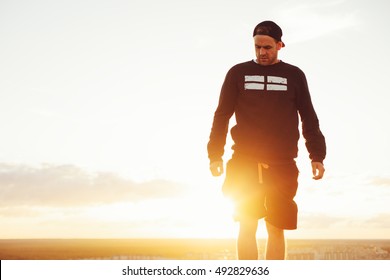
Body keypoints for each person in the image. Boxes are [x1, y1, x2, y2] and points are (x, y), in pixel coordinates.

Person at [207, 20, 326, 260]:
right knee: (247, 224)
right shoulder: (237, 73)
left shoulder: (294, 75)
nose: (262, 52)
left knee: (275, 227)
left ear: (280, 45)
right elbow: (222, 115)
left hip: (282, 164)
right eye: (257, 47)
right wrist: (215, 155)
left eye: (268, 47)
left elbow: (308, 116)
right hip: (244, 162)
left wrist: (317, 156)